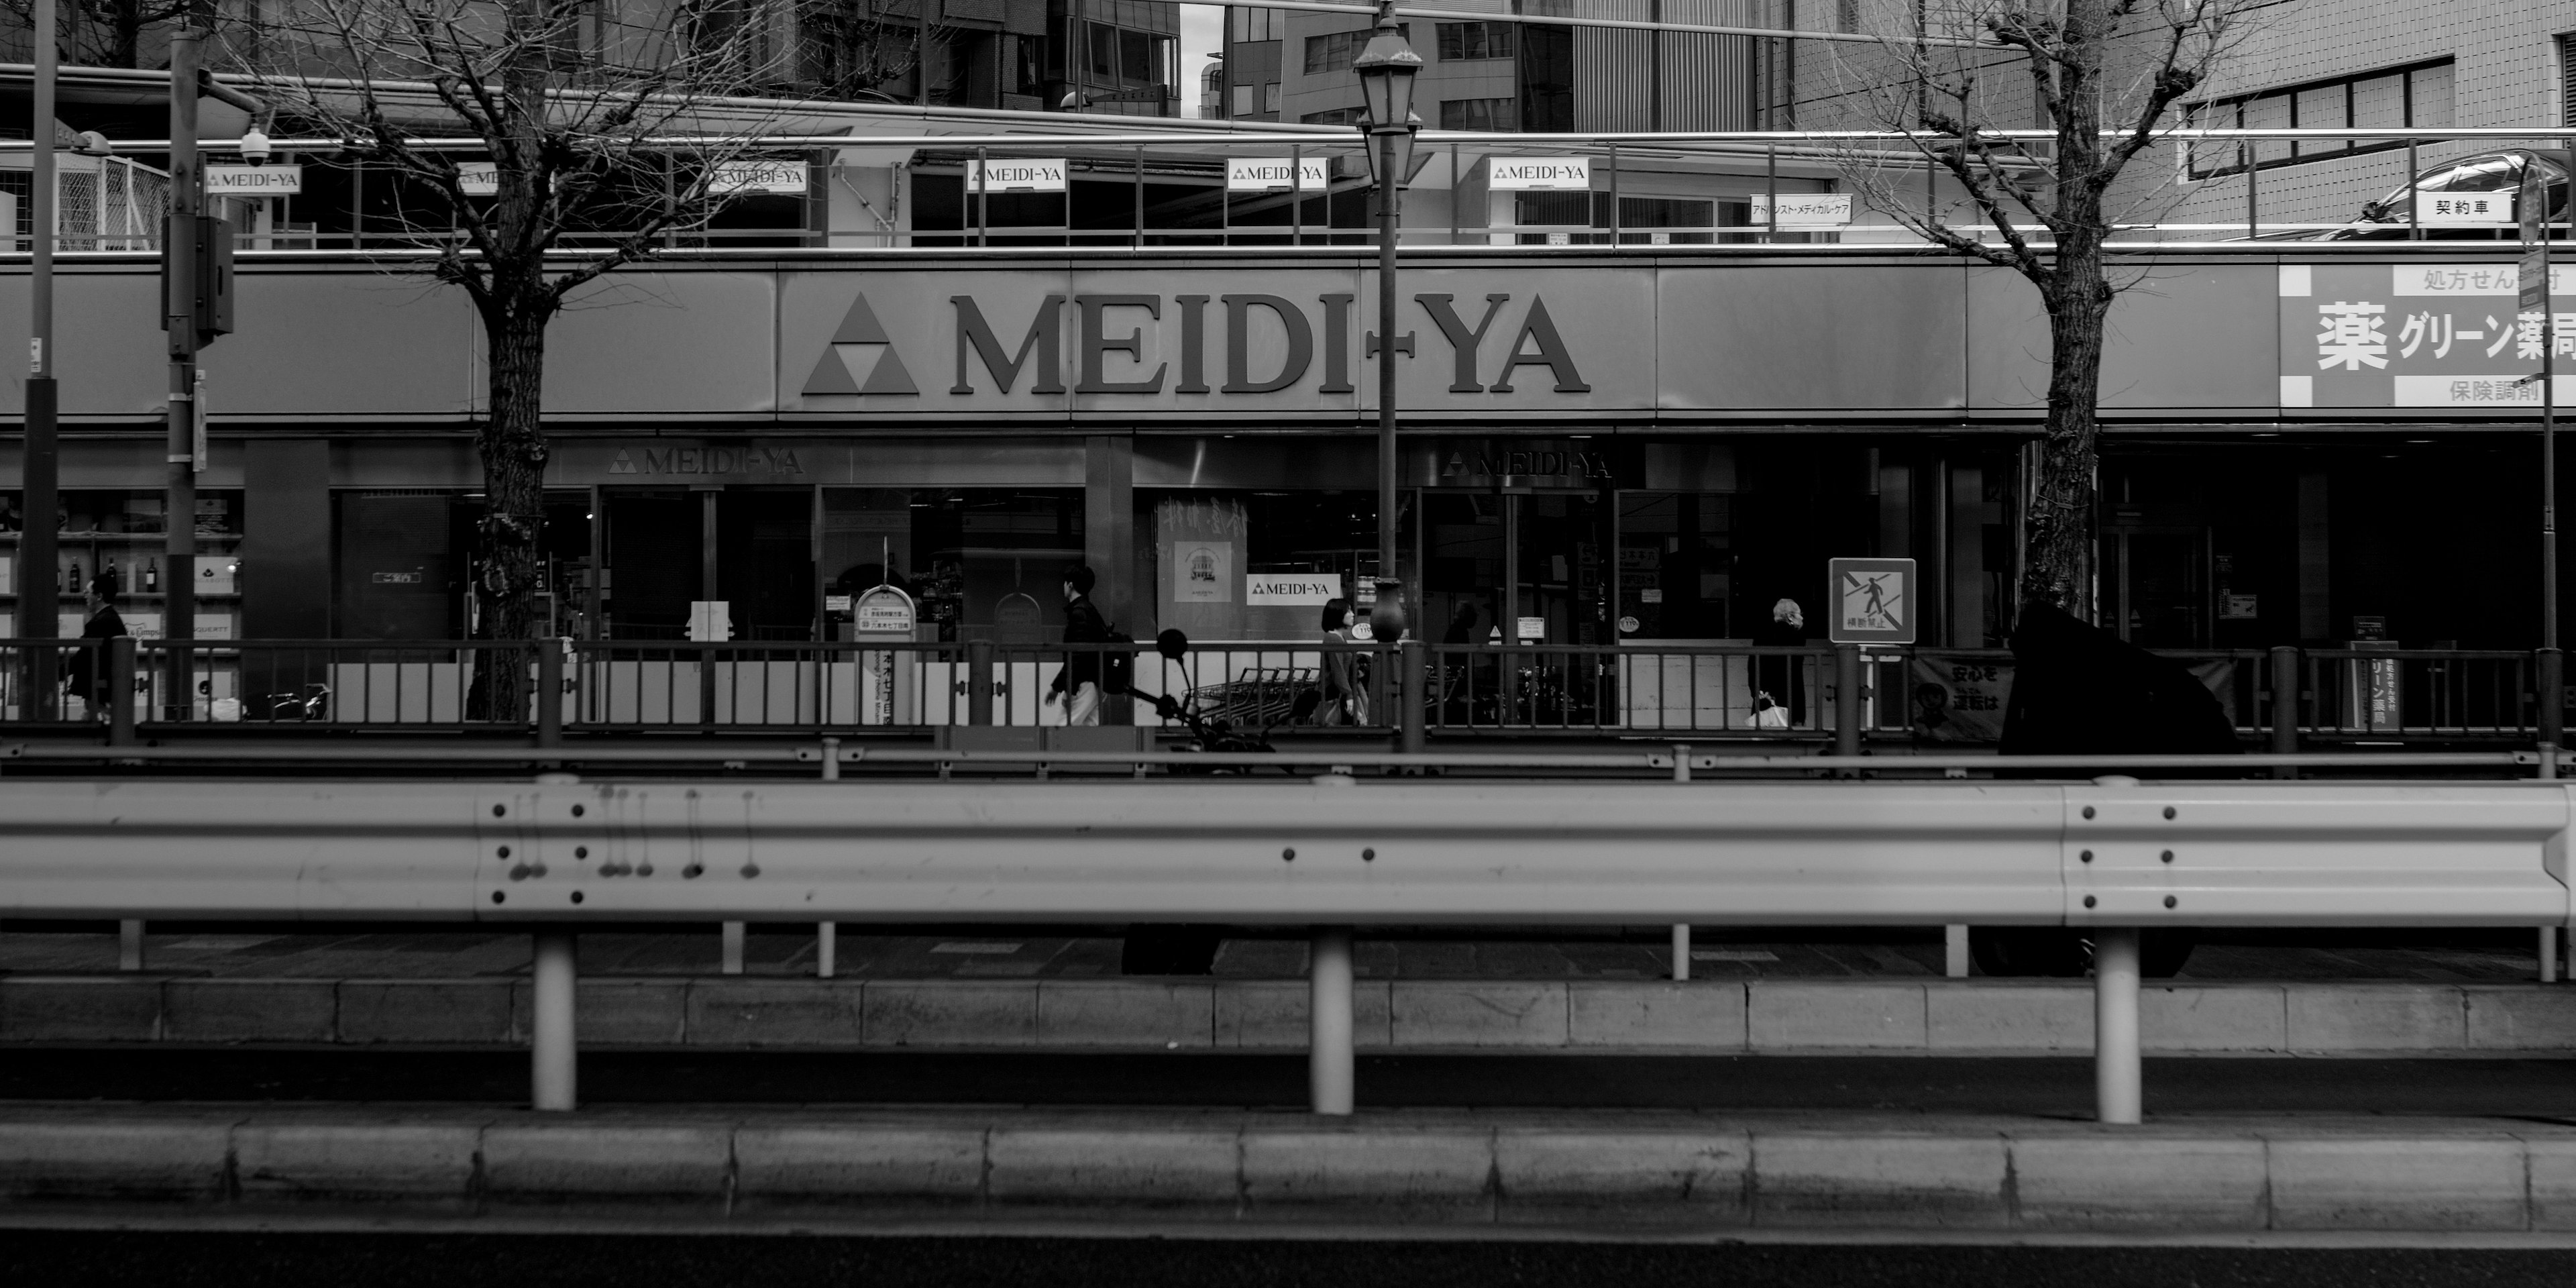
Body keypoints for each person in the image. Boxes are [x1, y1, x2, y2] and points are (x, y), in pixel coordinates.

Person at [1044, 562, 1108, 726]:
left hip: (1083, 685)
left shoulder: (1079, 613)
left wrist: (1056, 687)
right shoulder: (1089, 610)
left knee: (1063, 731)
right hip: (1093, 682)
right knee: (1088, 734)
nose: (1063, 585)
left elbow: (1077, 655)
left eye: (1065, 582)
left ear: (1070, 585)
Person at [62, 571, 127, 720]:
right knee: (93, 717)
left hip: (99, 687)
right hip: (104, 687)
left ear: (99, 596)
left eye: (88, 592)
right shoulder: (111, 618)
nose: (85, 595)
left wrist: (61, 671)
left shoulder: (100, 622)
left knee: (95, 719)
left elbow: (84, 655)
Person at [1750, 597, 1807, 726]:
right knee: (1793, 735)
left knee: (1766, 735)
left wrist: (1756, 691)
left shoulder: (1762, 634)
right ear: (1790, 616)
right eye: (1800, 614)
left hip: (1766, 696)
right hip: (1791, 695)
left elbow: (1753, 665)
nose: (1802, 618)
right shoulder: (1796, 637)